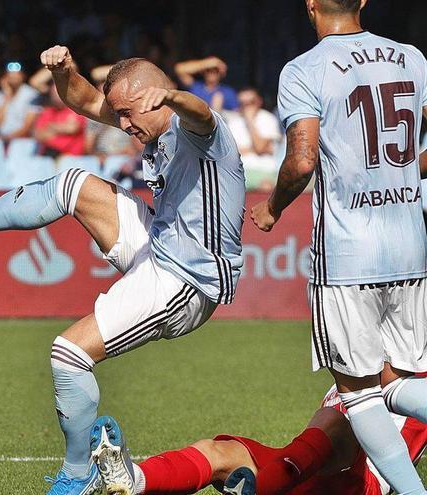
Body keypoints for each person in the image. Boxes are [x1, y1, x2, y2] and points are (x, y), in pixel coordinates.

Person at [0, 45, 245, 495]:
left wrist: (169, 96)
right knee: (73, 183)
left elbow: (202, 113)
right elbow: (87, 102)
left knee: (68, 355)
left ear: (153, 95)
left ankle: (78, 476)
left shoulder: (197, 129)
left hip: (187, 280)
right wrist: (65, 72)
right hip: (159, 245)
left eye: (130, 114)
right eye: (122, 117)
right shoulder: (146, 123)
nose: (124, 126)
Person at [250, 1, 427, 494]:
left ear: (310, 5)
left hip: (349, 252)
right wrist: (405, 171)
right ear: (363, 1)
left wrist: (272, 208)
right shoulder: (411, 57)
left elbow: (302, 161)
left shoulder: (304, 69)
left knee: (360, 395)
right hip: (412, 247)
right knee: (394, 383)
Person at [87, 367, 427, 495]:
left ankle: (259, 491)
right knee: (221, 452)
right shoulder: (361, 356)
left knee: (337, 423)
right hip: (297, 468)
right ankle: (134, 480)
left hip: (358, 484)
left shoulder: (417, 378)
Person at [225, 87, 282, 191]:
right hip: (239, 172)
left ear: (259, 101)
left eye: (251, 102)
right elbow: (230, 154)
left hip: (264, 171)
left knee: (266, 187)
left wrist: (250, 121)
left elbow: (259, 148)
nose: (246, 106)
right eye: (242, 103)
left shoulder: (268, 119)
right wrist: (256, 149)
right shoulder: (233, 122)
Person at [34, 81, 87, 157]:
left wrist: (50, 127)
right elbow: (38, 135)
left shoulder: (77, 109)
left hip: (70, 157)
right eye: (53, 93)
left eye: (58, 93)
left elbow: (73, 128)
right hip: (49, 154)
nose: (56, 96)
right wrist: (62, 128)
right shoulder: (47, 112)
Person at [0, 62, 40, 142]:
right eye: (10, 74)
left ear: (22, 75)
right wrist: (6, 97)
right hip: (1, 139)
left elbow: (28, 126)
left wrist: (8, 138)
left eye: (16, 74)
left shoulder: (31, 94)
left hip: (23, 141)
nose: (13, 77)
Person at [174, 56, 238, 111]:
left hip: (221, 122)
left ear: (221, 73)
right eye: (208, 70)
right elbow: (179, 70)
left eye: (215, 71)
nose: (212, 73)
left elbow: (236, 113)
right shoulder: (196, 87)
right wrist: (207, 63)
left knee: (218, 98)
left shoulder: (228, 91)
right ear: (203, 72)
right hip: (196, 121)